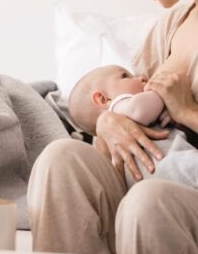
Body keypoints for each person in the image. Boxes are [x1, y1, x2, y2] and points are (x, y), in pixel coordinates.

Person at [27, 0, 198, 254]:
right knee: (62, 157)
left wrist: (188, 112)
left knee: (149, 202)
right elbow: (130, 107)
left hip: (171, 197)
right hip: (157, 179)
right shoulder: (170, 28)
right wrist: (108, 122)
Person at [69, 64, 198, 190]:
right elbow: (139, 110)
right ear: (103, 99)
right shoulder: (118, 106)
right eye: (125, 76)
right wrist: (162, 94)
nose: (142, 78)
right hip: (171, 165)